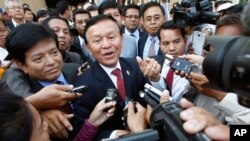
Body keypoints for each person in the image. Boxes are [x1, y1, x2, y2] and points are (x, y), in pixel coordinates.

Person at [72, 15, 161, 140]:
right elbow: (79, 131)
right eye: (97, 40)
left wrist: (156, 79)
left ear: (121, 38)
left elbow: (156, 100)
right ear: (88, 48)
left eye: (111, 37)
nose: (106, 45)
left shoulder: (136, 65)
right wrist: (115, 135)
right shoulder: (82, 85)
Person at [3, 23, 81, 139]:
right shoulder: (16, 91)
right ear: (22, 65)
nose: (51, 61)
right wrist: (36, 115)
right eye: (39, 58)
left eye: (54, 52)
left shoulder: (76, 70)